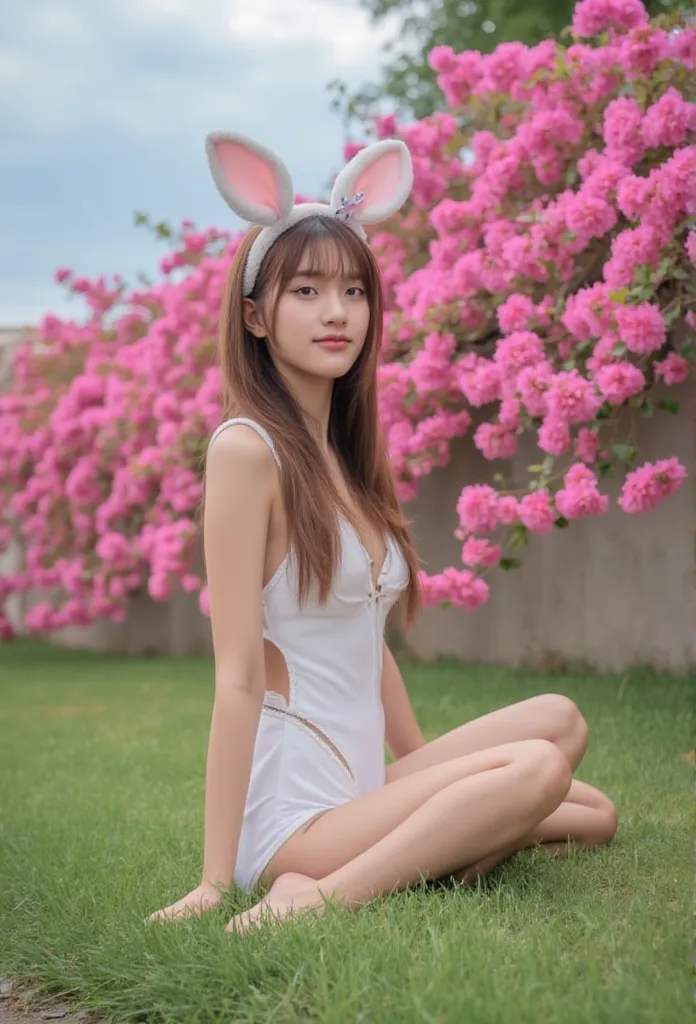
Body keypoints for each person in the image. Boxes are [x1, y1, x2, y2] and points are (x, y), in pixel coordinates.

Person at [146, 132, 617, 935]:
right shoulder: (245, 451)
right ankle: (310, 896)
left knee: (575, 758)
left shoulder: (345, 457)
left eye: (354, 293)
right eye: (306, 293)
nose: (337, 313)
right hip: (297, 810)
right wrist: (213, 879)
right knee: (536, 769)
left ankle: (438, 839)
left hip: (363, 784)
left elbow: (366, 636)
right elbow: (236, 678)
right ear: (256, 316)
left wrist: (428, 772)